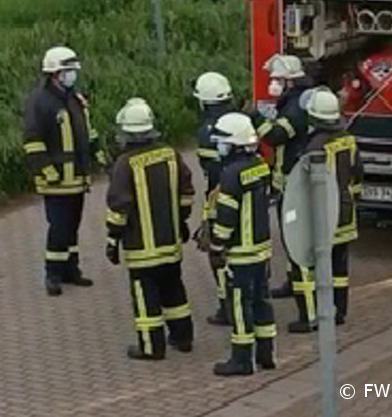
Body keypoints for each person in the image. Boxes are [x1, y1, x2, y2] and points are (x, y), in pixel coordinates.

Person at [105, 98, 195, 360]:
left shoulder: (125, 164)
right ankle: (183, 337)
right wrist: (182, 221)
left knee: (145, 297)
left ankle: (150, 346)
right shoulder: (171, 154)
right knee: (174, 289)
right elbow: (186, 192)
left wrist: (112, 239)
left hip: (141, 248)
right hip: (171, 242)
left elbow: (119, 207)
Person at [23, 46, 107, 296]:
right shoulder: (40, 102)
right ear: (54, 74)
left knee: (72, 226)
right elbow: (32, 141)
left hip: (76, 178)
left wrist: (98, 154)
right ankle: (53, 274)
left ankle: (71, 270)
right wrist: (47, 170)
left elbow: (87, 131)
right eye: (67, 71)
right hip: (56, 180)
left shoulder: (74, 99)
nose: (72, 75)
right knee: (58, 227)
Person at [289, 87, 363, 332]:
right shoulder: (348, 139)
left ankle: (311, 316)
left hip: (323, 217)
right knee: (339, 268)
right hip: (346, 215)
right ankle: (338, 312)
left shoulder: (315, 147)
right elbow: (357, 174)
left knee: (308, 268)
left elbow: (305, 187)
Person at [209, 113, 276, 376]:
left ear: (234, 144)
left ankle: (242, 360)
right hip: (261, 248)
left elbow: (226, 217)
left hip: (240, 253)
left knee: (239, 304)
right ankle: (266, 354)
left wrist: (217, 245)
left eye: (222, 142)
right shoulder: (260, 165)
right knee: (262, 301)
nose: (219, 146)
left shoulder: (230, 174)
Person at [248, 54, 314, 301]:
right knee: (289, 238)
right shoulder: (291, 101)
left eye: (277, 80)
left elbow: (276, 136)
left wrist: (257, 117)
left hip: (294, 183)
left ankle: (304, 296)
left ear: (289, 81)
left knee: (296, 238)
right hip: (287, 182)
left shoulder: (296, 107)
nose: (273, 84)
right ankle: (292, 280)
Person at [192, 72, 236, 326]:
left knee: (218, 253)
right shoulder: (241, 120)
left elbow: (209, 168)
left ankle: (226, 305)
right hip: (248, 195)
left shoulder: (206, 132)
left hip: (218, 198)